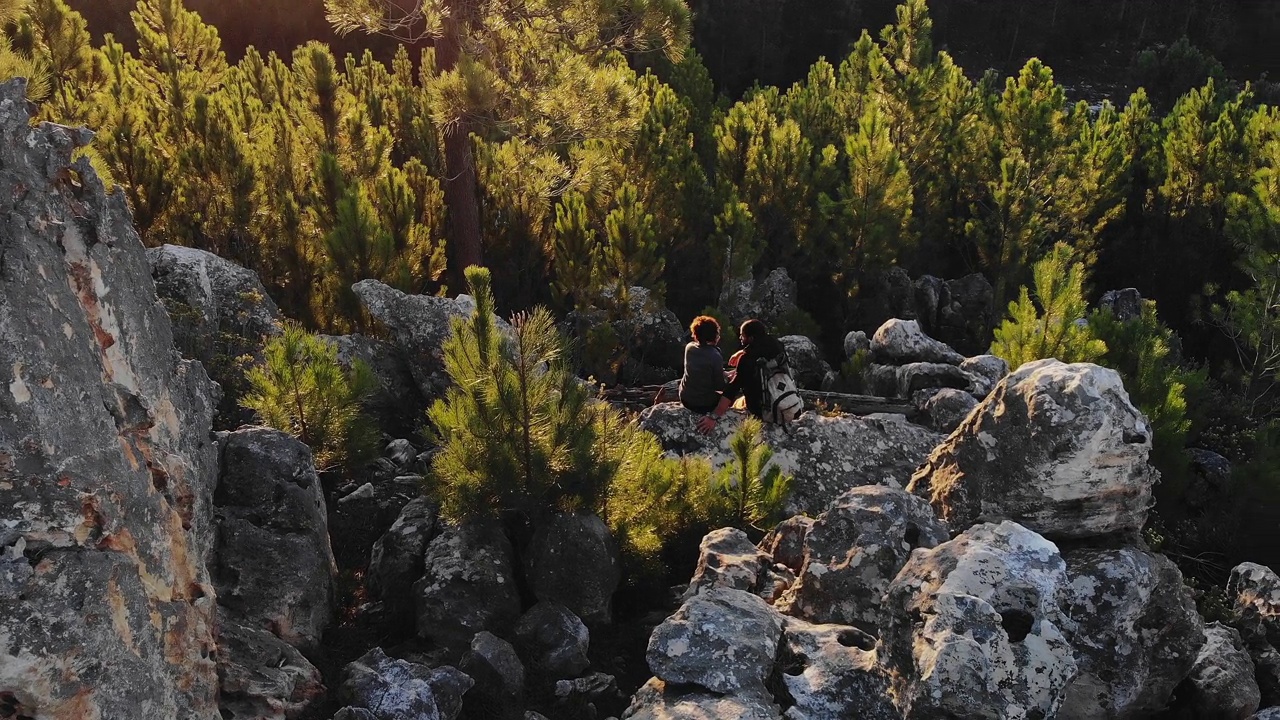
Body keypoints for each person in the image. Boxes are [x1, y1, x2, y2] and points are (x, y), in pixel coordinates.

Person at [692, 318, 787, 433]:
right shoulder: (778, 347)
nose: (740, 338)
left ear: (751, 338)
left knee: (736, 403)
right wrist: (742, 351)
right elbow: (759, 346)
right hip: (784, 401)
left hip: (763, 410)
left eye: (742, 336)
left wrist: (713, 417)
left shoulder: (747, 360)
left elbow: (732, 389)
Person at [679, 316, 730, 428]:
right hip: (703, 404)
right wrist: (730, 379)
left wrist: (724, 373)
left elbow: (702, 370)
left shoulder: (690, 347)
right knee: (730, 396)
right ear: (715, 336)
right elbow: (720, 387)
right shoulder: (715, 356)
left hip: (685, 397)